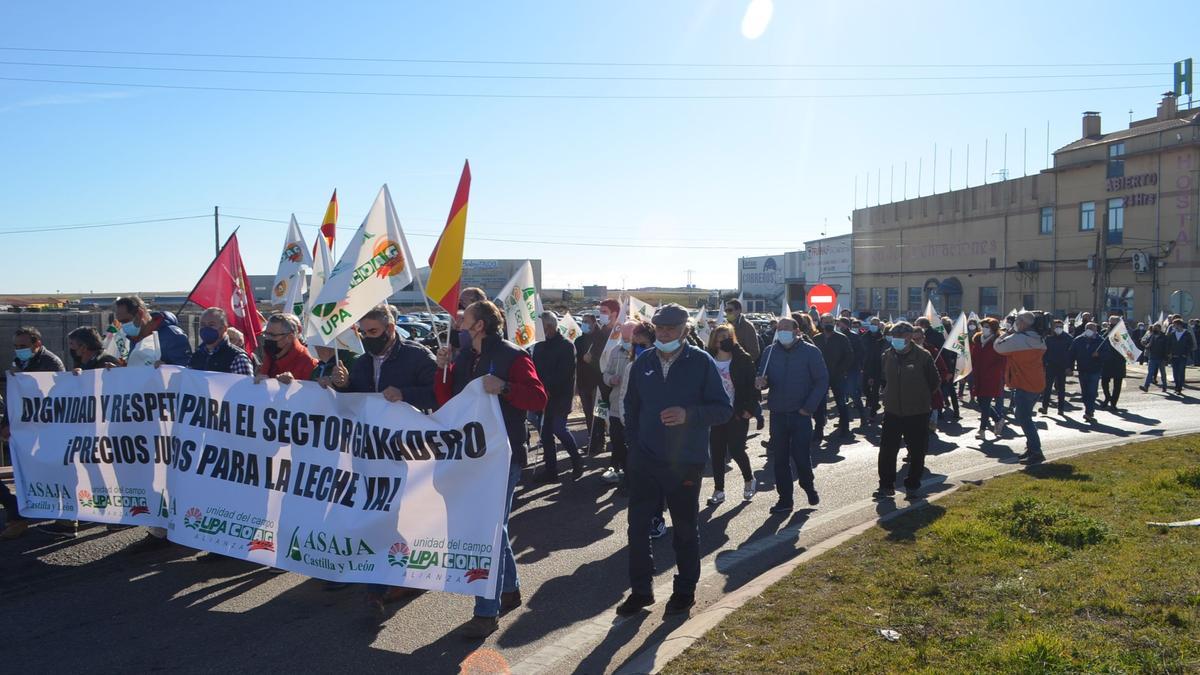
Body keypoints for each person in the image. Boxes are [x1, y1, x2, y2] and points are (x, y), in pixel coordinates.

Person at [434, 300, 547, 638]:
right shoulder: (466, 356)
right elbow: (446, 400)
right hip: (472, 454)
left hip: (504, 455)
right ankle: (509, 589)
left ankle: (486, 611)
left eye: (464, 316)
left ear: (479, 324)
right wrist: (443, 369)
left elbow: (538, 398)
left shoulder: (513, 355)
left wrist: (507, 388)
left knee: (488, 527)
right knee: (494, 527)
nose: (459, 319)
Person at [617, 304, 731, 618]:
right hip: (646, 460)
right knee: (637, 528)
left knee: (684, 529)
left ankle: (684, 591)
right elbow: (631, 409)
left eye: (670, 328)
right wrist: (634, 448)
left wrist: (688, 415)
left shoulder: (701, 362)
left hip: (685, 462)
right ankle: (641, 591)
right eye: (660, 328)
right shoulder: (644, 363)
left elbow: (723, 409)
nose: (664, 333)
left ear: (684, 329)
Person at [755, 317, 828, 513]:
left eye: (786, 328)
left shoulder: (810, 352)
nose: (782, 331)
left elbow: (822, 381)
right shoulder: (770, 352)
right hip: (778, 412)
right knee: (779, 459)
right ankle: (785, 499)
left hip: (801, 414)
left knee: (801, 457)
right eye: (779, 328)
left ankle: (808, 486)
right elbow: (763, 377)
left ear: (797, 331)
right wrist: (761, 382)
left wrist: (808, 407)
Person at [4, 327, 66, 539]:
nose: (18, 350)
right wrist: (7, 422)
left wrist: (25, 379)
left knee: (53, 470)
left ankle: (65, 517)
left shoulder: (50, 362)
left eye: (22, 346)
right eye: (16, 346)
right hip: (29, 427)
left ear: (36, 344)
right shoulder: (21, 363)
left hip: (47, 427)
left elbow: (55, 395)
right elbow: (14, 397)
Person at [874, 322, 940, 500]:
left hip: (917, 412)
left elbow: (935, 381)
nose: (895, 340)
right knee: (887, 450)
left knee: (917, 451)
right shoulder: (888, 355)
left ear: (909, 337)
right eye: (893, 336)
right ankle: (886, 485)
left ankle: (912, 485)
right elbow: (885, 378)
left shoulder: (923, 356)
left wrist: (920, 397)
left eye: (900, 337)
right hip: (893, 411)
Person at [705, 323, 760, 506]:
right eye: (721, 338)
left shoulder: (742, 359)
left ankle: (748, 479)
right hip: (716, 414)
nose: (725, 341)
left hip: (737, 413)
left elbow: (752, 387)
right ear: (715, 341)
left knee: (736, 450)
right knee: (717, 453)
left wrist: (750, 409)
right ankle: (719, 490)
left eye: (728, 337)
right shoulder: (708, 360)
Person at [531, 312, 583, 482]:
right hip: (542, 395)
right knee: (545, 434)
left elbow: (565, 373)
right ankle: (551, 470)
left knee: (559, 429)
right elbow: (535, 370)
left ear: (550, 327)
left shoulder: (566, 346)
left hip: (560, 396)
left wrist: (548, 386)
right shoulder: (538, 347)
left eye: (541, 327)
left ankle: (576, 460)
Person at [994, 312, 1048, 464]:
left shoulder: (1018, 338)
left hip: (1024, 383)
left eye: (1017, 320)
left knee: (1024, 418)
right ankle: (1031, 449)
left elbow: (997, 347)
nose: (1015, 322)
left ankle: (1036, 451)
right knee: (1025, 417)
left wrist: (1008, 332)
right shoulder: (1038, 338)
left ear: (1023, 323)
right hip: (1036, 381)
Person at [600, 321, 648, 485]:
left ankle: (630, 479)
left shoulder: (646, 357)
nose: (628, 341)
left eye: (631, 337)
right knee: (617, 441)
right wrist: (610, 379)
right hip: (615, 406)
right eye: (625, 337)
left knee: (633, 446)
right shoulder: (615, 351)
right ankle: (621, 471)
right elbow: (606, 373)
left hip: (635, 410)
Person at [584, 299, 621, 454]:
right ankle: (597, 442)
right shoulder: (601, 332)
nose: (601, 315)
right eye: (600, 311)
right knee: (599, 414)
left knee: (616, 417)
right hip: (601, 382)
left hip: (616, 382)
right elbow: (597, 356)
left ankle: (618, 445)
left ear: (615, 313)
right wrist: (590, 358)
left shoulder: (620, 332)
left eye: (604, 312)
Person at [113, 296, 192, 366]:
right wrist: (118, 370)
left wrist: (167, 368)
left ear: (140, 314)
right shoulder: (134, 338)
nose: (123, 326)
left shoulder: (172, 336)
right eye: (121, 322)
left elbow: (186, 370)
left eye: (126, 321)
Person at [812, 313, 853, 442]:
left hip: (837, 376)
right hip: (820, 376)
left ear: (834, 323)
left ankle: (845, 428)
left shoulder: (842, 338)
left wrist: (840, 370)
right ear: (821, 323)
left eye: (830, 321)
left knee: (840, 402)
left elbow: (849, 356)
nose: (828, 324)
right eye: (825, 322)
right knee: (819, 404)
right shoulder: (816, 338)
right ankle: (818, 431)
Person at [969, 318, 1007, 440]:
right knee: (981, 401)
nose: (985, 329)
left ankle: (982, 430)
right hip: (978, 375)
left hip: (991, 376)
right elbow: (974, 357)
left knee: (985, 403)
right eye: (983, 326)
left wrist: (994, 371)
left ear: (993, 329)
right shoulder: (977, 340)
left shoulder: (998, 342)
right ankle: (998, 419)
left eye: (988, 327)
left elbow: (1002, 361)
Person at [188, 308, 254, 375]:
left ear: (224, 329)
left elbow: (245, 385)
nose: (206, 328)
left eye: (211, 325)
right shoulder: (196, 356)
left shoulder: (237, 358)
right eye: (202, 324)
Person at [256, 313, 317, 384]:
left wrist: (293, 384)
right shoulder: (270, 355)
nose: (267, 338)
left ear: (289, 337)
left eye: (273, 335)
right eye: (266, 334)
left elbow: (310, 392)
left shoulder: (308, 364)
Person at [911, 328, 949, 433]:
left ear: (923, 338)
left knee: (933, 407)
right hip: (912, 387)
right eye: (913, 339)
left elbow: (942, 369)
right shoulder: (906, 351)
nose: (916, 341)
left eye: (918, 339)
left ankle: (932, 424)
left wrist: (935, 381)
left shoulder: (932, 350)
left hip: (930, 386)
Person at [1069, 322, 1105, 422]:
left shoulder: (1100, 341)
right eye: (1088, 328)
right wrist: (1069, 368)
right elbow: (1071, 354)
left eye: (1092, 328)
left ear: (1096, 330)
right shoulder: (1078, 340)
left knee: (1092, 392)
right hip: (1082, 369)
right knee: (1085, 393)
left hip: (1095, 370)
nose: (1089, 330)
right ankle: (1089, 409)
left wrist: (1099, 355)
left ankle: (1089, 412)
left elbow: (1107, 355)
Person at [837, 316, 867, 425]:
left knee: (853, 394)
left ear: (845, 325)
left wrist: (857, 365)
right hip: (840, 370)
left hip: (852, 369)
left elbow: (861, 352)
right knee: (841, 395)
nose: (838, 327)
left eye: (839, 324)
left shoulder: (854, 337)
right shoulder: (838, 336)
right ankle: (842, 420)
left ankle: (863, 416)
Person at [575, 313, 601, 440]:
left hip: (598, 383)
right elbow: (577, 361)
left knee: (599, 413)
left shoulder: (601, 339)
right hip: (583, 383)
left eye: (587, 322)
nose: (584, 324)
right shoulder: (579, 341)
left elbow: (605, 361)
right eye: (583, 321)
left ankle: (599, 438)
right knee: (587, 412)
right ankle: (591, 438)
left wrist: (593, 360)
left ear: (594, 323)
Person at [1041, 319, 1072, 415]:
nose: (1058, 328)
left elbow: (1071, 354)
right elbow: (1044, 353)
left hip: (1062, 367)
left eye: (1060, 327)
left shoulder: (1068, 338)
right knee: (1047, 388)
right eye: (1056, 327)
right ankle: (1044, 407)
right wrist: (1043, 364)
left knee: (1061, 388)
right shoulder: (1048, 339)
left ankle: (1060, 409)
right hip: (1050, 366)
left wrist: (1069, 367)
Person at [1098, 316, 1127, 412]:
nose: (1112, 325)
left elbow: (1126, 346)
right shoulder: (1104, 332)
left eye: (1114, 323)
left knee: (1117, 384)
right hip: (1106, 361)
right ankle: (1107, 397)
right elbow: (1100, 343)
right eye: (1110, 323)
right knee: (1104, 381)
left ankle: (1113, 403)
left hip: (1119, 361)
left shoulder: (1123, 334)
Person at [861, 317, 887, 422]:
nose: (874, 326)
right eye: (872, 323)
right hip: (866, 366)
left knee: (875, 390)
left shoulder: (881, 338)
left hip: (877, 367)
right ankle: (874, 404)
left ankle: (872, 414)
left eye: (876, 324)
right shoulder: (864, 337)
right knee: (865, 388)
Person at [724, 299, 761, 364]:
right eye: (726, 310)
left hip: (740, 367)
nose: (727, 313)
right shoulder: (725, 326)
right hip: (726, 366)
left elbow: (754, 352)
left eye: (730, 310)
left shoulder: (747, 326)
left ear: (738, 311)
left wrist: (741, 363)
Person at [1168, 317, 1196, 395]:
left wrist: (1185, 354)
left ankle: (1179, 388)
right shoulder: (1173, 334)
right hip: (1174, 356)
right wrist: (1169, 353)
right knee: (1175, 373)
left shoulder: (1187, 334)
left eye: (1175, 325)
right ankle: (1177, 386)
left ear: (1179, 325)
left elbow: (1190, 345)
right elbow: (1169, 344)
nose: (1174, 326)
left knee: (1181, 372)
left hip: (1182, 356)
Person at [1139, 323, 1170, 393]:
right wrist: (1144, 343)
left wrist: (1166, 357)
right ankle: (1146, 386)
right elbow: (1147, 344)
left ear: (1159, 328)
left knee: (1163, 373)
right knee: (1150, 373)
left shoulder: (1164, 337)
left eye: (1156, 328)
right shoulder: (1152, 335)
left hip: (1161, 358)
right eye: (1153, 328)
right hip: (1152, 357)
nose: (1154, 329)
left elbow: (1167, 348)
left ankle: (1164, 386)